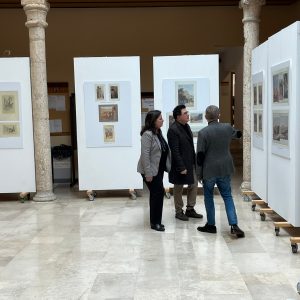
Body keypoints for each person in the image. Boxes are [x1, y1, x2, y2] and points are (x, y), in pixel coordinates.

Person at [196, 105, 245, 238]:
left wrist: (199, 174)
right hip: (224, 168)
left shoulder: (203, 133)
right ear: (219, 115)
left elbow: (200, 156)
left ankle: (211, 225)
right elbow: (237, 134)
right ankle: (234, 225)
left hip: (209, 170)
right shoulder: (227, 127)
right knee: (227, 196)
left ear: (206, 117)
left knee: (208, 197)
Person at [167, 105, 203, 221]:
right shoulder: (173, 130)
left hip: (190, 162)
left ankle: (190, 209)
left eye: (187, 112)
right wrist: (181, 166)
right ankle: (178, 211)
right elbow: (175, 151)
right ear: (178, 116)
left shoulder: (186, 126)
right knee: (178, 187)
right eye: (185, 113)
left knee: (193, 184)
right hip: (180, 165)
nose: (188, 115)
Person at [137, 110, 171, 231]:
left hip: (158, 169)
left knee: (157, 194)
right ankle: (155, 223)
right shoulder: (147, 134)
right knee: (157, 194)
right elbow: (145, 155)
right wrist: (148, 173)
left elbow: (163, 149)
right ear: (153, 121)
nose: (163, 120)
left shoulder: (158, 132)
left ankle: (156, 221)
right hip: (150, 170)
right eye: (160, 118)